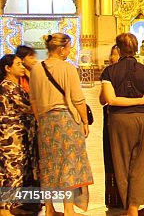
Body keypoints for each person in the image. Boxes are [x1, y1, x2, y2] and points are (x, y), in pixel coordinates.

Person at [28, 33, 92, 216]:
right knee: (69, 165)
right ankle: (68, 209)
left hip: (45, 122)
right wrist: (85, 121)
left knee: (48, 165)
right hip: (65, 121)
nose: (70, 50)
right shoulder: (68, 68)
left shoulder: (36, 69)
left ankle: (49, 208)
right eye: (69, 47)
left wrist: (41, 119)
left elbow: (33, 100)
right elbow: (78, 99)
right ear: (61, 49)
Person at [100, 33, 144, 216]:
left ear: (118, 49)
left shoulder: (109, 72)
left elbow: (110, 100)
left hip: (120, 123)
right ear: (135, 50)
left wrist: (132, 101)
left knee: (123, 165)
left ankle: (132, 208)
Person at [0, 54, 35, 216]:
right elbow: (29, 106)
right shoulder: (9, 86)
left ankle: (12, 206)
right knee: (11, 171)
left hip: (19, 136)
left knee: (17, 171)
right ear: (7, 68)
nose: (22, 67)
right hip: (11, 138)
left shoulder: (15, 85)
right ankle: (4, 208)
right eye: (18, 64)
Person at [102, 45, 124, 210]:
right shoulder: (142, 71)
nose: (111, 57)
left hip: (115, 118)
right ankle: (128, 199)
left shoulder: (110, 73)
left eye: (115, 54)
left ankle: (117, 198)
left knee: (114, 158)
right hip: (134, 117)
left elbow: (104, 99)